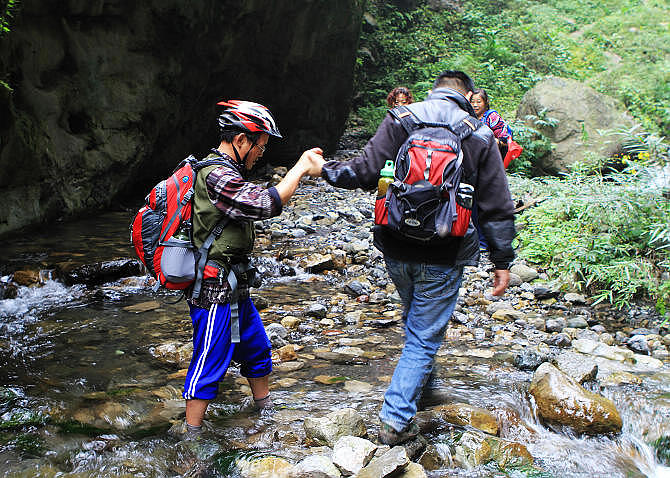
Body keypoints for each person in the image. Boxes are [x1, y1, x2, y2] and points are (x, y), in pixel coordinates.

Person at [306, 71, 516, 446]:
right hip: (445, 250)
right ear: (467, 96)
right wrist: (502, 261)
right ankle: (396, 420)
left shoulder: (402, 119)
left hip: (396, 245)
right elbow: (496, 206)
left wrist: (323, 169)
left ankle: (425, 388)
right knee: (423, 337)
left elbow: (364, 171)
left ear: (434, 91)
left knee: (417, 321)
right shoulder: (480, 134)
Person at [180, 100, 323, 439]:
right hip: (213, 289)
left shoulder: (229, 172)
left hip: (235, 285)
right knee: (209, 361)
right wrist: (300, 168)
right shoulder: (216, 175)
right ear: (241, 140)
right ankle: (190, 436)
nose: (261, 153)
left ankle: (264, 412)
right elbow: (264, 204)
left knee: (257, 349)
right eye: (260, 145)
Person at [470, 88, 512, 158]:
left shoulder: (492, 117)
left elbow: (504, 140)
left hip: (493, 156)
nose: (475, 105)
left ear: (485, 103)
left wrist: (495, 142)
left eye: (479, 102)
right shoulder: (469, 117)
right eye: (472, 102)